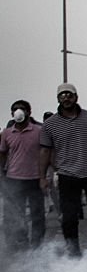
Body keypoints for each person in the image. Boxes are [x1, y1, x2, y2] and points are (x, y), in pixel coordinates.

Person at [38, 84, 87, 255]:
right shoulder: (50, 125)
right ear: (58, 99)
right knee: (69, 217)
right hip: (67, 174)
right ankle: (72, 249)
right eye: (62, 95)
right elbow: (44, 151)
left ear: (76, 97)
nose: (66, 98)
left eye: (69, 95)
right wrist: (42, 176)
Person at [0, 100, 46, 248]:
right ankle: (22, 241)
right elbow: (3, 154)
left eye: (22, 109)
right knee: (16, 214)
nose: (18, 111)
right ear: (11, 113)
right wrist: (2, 173)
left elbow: (46, 153)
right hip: (14, 179)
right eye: (15, 109)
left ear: (29, 112)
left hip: (35, 179)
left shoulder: (39, 131)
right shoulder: (6, 133)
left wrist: (46, 176)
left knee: (37, 214)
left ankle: (37, 244)